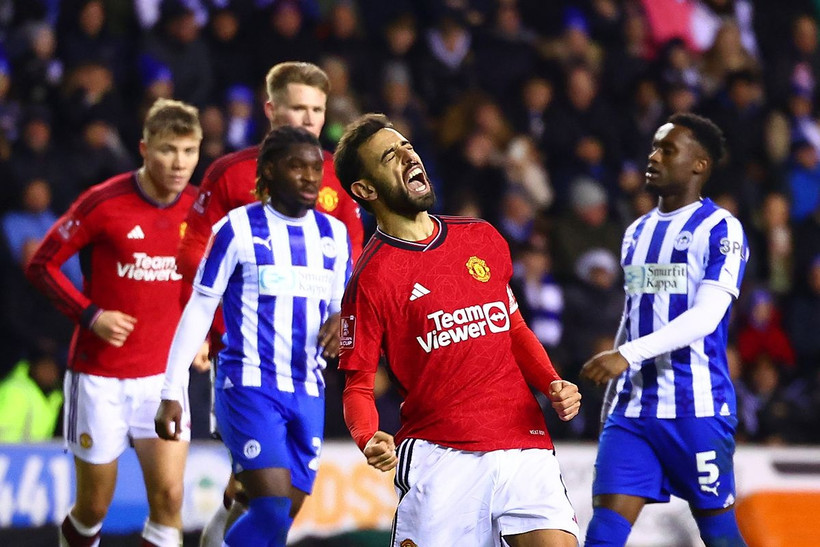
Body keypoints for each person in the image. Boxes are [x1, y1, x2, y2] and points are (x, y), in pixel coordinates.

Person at [333, 113, 581, 547]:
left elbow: (513, 326)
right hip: (440, 456)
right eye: (390, 155)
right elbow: (357, 385)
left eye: (407, 145)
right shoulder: (369, 280)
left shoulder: (481, 237)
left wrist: (551, 381)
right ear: (365, 189)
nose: (408, 154)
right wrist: (367, 436)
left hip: (523, 444)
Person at [175, 60, 363, 545]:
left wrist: (346, 326)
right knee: (269, 495)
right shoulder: (229, 176)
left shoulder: (337, 189)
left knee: (274, 502)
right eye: (298, 107)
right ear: (271, 109)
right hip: (241, 359)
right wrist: (207, 337)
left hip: (307, 371)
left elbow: (354, 279)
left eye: (317, 110)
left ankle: (218, 535)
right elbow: (196, 257)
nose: (308, 118)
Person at [25, 98, 204, 547]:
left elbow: (210, 280)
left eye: (189, 151)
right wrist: (91, 315)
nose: (179, 163)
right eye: (168, 150)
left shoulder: (202, 208)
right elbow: (41, 265)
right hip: (99, 377)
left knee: (170, 497)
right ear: (144, 148)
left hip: (165, 379)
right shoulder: (103, 203)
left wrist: (207, 336)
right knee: (93, 507)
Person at [580, 113, 749, 546]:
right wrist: (611, 402)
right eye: (654, 147)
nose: (653, 157)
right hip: (634, 411)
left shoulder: (720, 229)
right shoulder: (636, 232)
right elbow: (634, 315)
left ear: (699, 165)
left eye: (667, 149)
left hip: (696, 407)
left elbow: (706, 317)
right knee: (604, 531)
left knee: (719, 534)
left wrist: (626, 355)